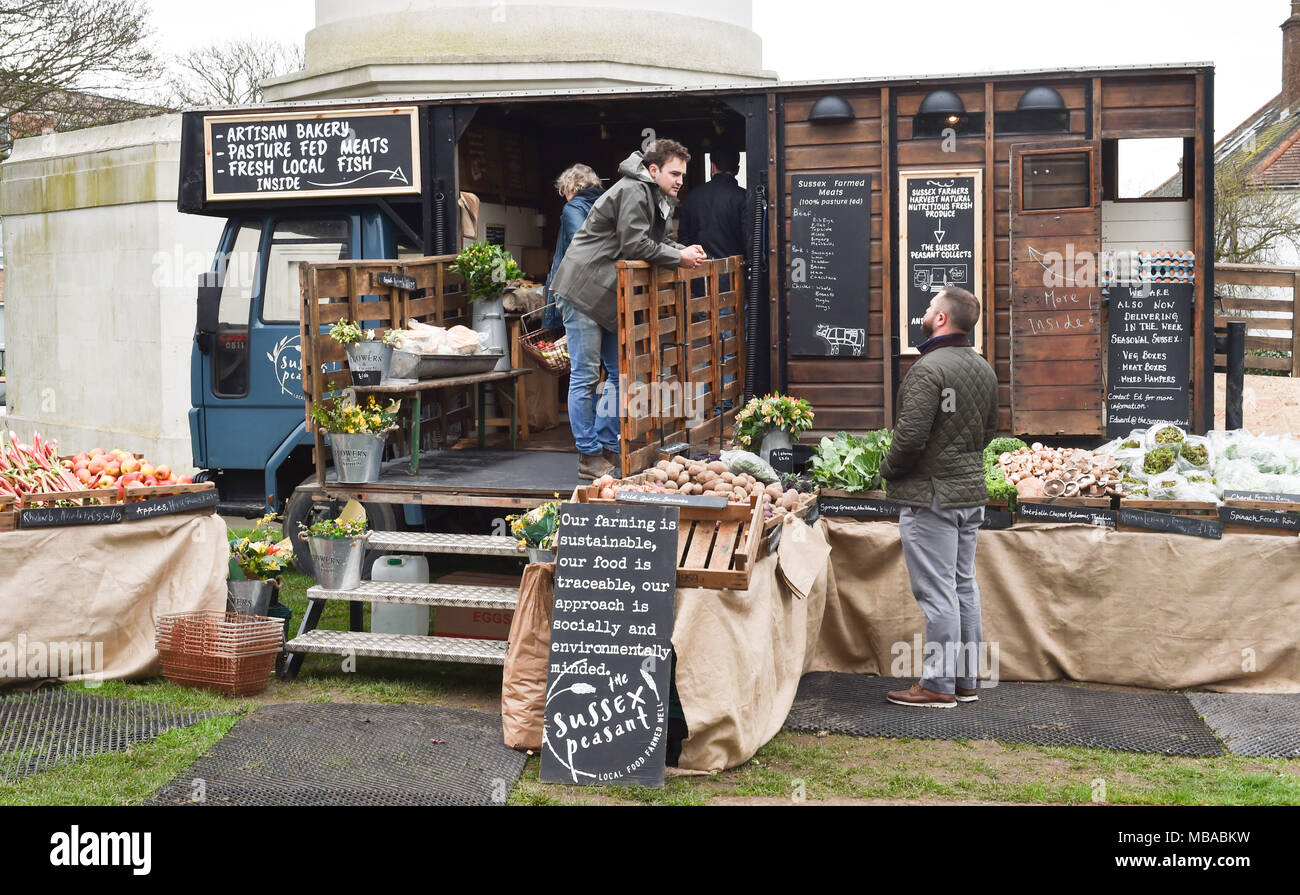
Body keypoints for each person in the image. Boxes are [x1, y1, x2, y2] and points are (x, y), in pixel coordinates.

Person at [550, 138, 707, 480]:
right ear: (654, 170)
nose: (680, 180)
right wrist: (678, 257)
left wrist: (683, 250)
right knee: (585, 375)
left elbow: (657, 243)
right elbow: (634, 243)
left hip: (607, 294)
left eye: (682, 174)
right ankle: (588, 456)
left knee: (621, 374)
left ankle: (606, 445)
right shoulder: (635, 190)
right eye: (674, 173)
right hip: (583, 289)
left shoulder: (657, 196)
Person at [880, 286, 999, 708]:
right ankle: (965, 682)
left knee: (938, 594)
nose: (925, 313)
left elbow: (909, 438)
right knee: (963, 586)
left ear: (943, 319)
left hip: (932, 496)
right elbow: (988, 433)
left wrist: (888, 468)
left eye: (930, 308)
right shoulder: (983, 368)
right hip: (969, 494)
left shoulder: (927, 370)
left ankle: (937, 686)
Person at [542, 164, 603, 331]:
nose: (566, 198)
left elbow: (580, 245)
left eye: (565, 191)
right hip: (604, 289)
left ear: (573, 187)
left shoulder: (574, 207)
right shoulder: (606, 204)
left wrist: (559, 280)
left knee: (573, 348)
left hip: (575, 291)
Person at [678, 147, 746, 261]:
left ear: (713, 166)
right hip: (736, 274)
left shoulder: (692, 196)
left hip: (699, 272)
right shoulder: (744, 197)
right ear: (737, 170)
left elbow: (683, 240)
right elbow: (750, 241)